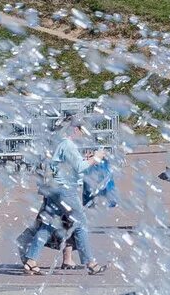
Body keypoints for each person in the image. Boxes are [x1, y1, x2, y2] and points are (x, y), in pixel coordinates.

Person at [19, 117, 106, 275]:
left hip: (55, 190)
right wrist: (97, 157)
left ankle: (31, 260)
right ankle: (91, 263)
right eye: (82, 130)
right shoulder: (68, 145)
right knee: (80, 225)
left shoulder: (60, 144)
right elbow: (80, 168)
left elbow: (69, 165)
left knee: (48, 225)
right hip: (66, 191)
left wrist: (87, 159)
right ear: (75, 129)